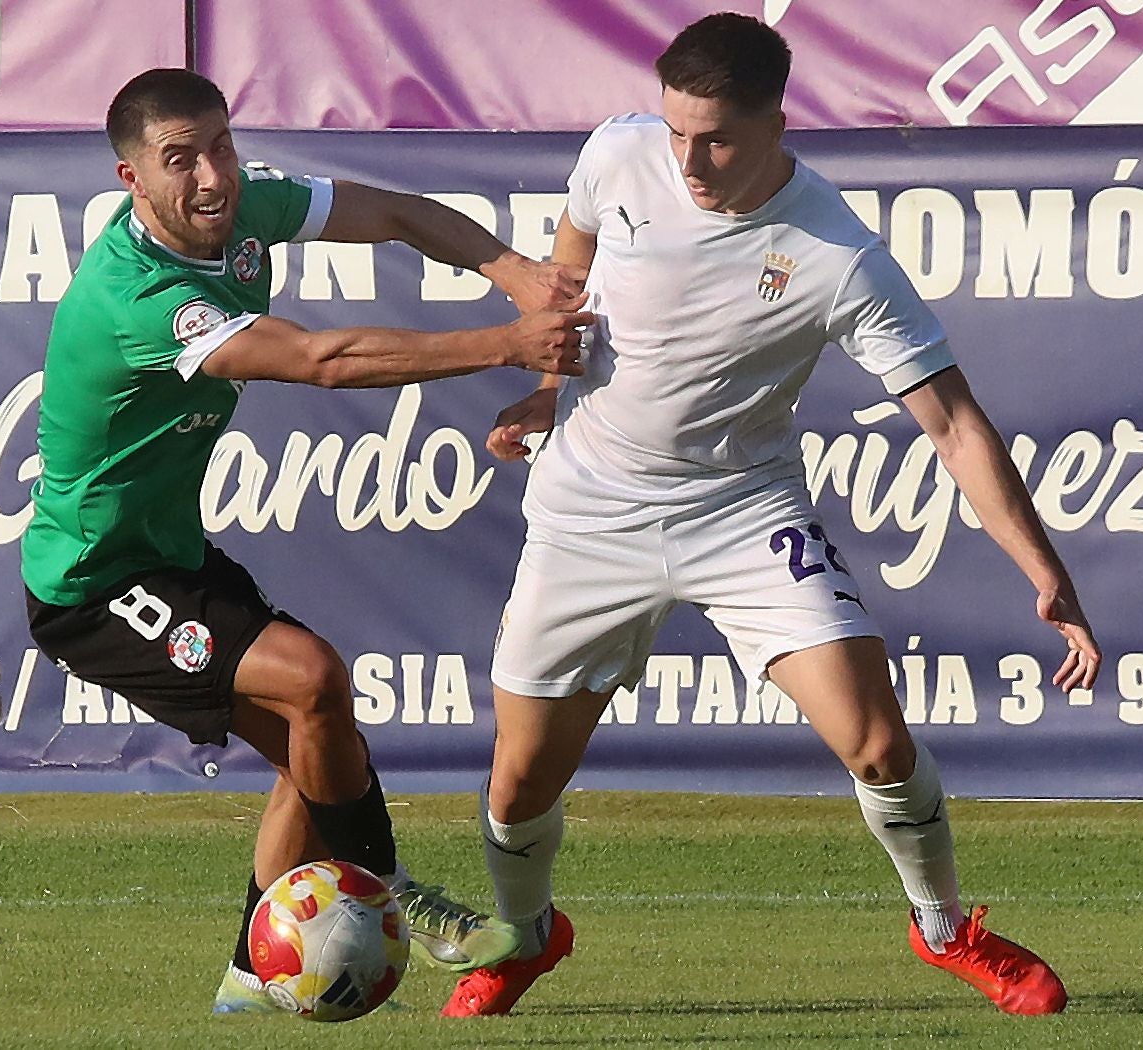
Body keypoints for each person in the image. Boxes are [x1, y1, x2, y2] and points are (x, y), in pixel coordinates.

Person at [441, 13, 1101, 1020]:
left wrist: (1040, 570)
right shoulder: (620, 153)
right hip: (587, 510)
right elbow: (563, 269)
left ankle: (941, 928)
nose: (690, 159)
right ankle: (525, 938)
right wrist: (544, 382)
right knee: (518, 781)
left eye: (715, 137)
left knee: (876, 743)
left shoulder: (834, 251)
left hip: (741, 510)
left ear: (775, 122)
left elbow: (954, 422)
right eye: (677, 132)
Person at [19, 68, 593, 1014]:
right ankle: (394, 888)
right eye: (180, 160)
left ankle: (247, 983)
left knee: (309, 743)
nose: (212, 176)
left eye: (221, 146)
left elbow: (399, 212)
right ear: (131, 179)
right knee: (314, 678)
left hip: (168, 557)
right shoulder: (141, 298)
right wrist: (507, 339)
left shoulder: (243, 210)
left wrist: (511, 267)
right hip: (89, 584)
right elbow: (319, 361)